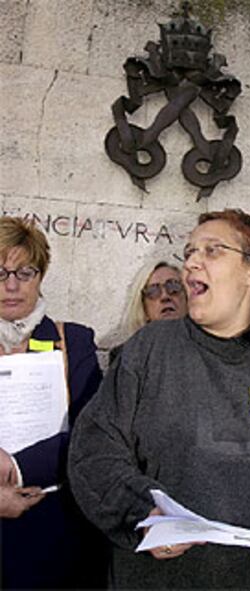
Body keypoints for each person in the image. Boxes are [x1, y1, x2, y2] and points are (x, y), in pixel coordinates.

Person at [69, 208, 250, 590]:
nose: (192, 262)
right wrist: (141, 512)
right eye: (189, 252)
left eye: (211, 251)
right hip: (159, 579)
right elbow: (95, 450)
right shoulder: (149, 350)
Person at [0, 216, 108, 589]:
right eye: (0, 273)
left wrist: (15, 465)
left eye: (24, 273)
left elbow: (93, 431)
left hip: (52, 532)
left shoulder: (72, 342)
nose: (11, 286)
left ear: (41, 277)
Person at [109, 258, 187, 362]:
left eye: (173, 286)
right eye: (153, 291)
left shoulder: (208, 350)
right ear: (143, 307)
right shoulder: (126, 357)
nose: (165, 296)